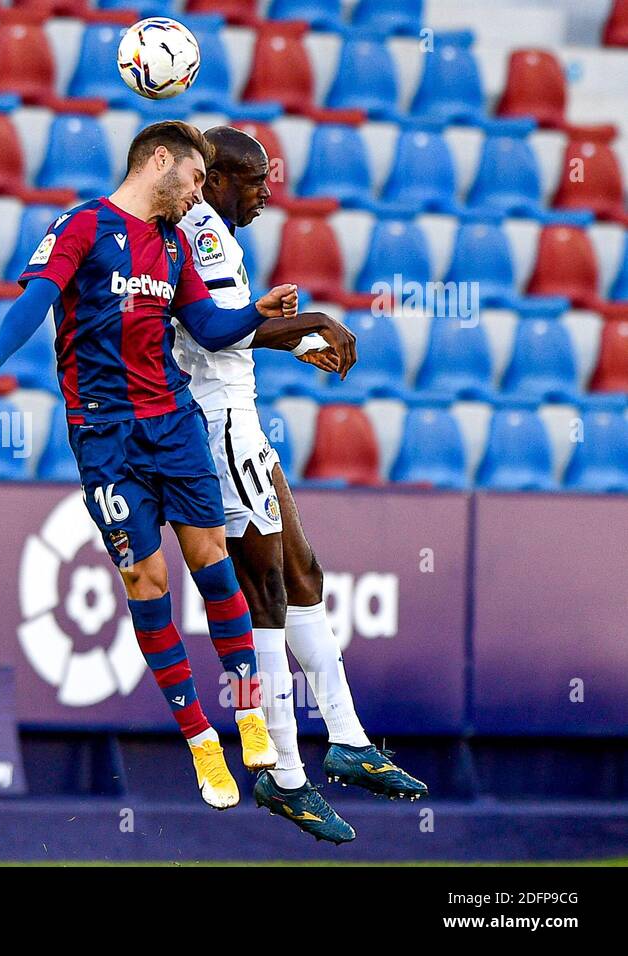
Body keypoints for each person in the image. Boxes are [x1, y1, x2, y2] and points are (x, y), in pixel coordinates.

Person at [0, 121, 347, 809]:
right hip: (104, 434)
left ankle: (249, 715)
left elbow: (211, 329)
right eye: (194, 180)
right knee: (145, 577)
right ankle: (200, 743)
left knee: (212, 561)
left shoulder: (172, 245)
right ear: (159, 162)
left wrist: (258, 312)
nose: (199, 195)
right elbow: (37, 299)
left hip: (173, 421)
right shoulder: (83, 225)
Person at [171, 125, 429, 842]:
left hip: (239, 419)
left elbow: (225, 327)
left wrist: (301, 338)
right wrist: (312, 321)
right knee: (265, 597)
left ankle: (346, 740)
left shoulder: (214, 233)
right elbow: (217, 333)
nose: (264, 191)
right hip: (218, 424)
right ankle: (284, 774)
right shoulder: (204, 234)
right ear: (215, 179)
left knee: (303, 572)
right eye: (252, 180)